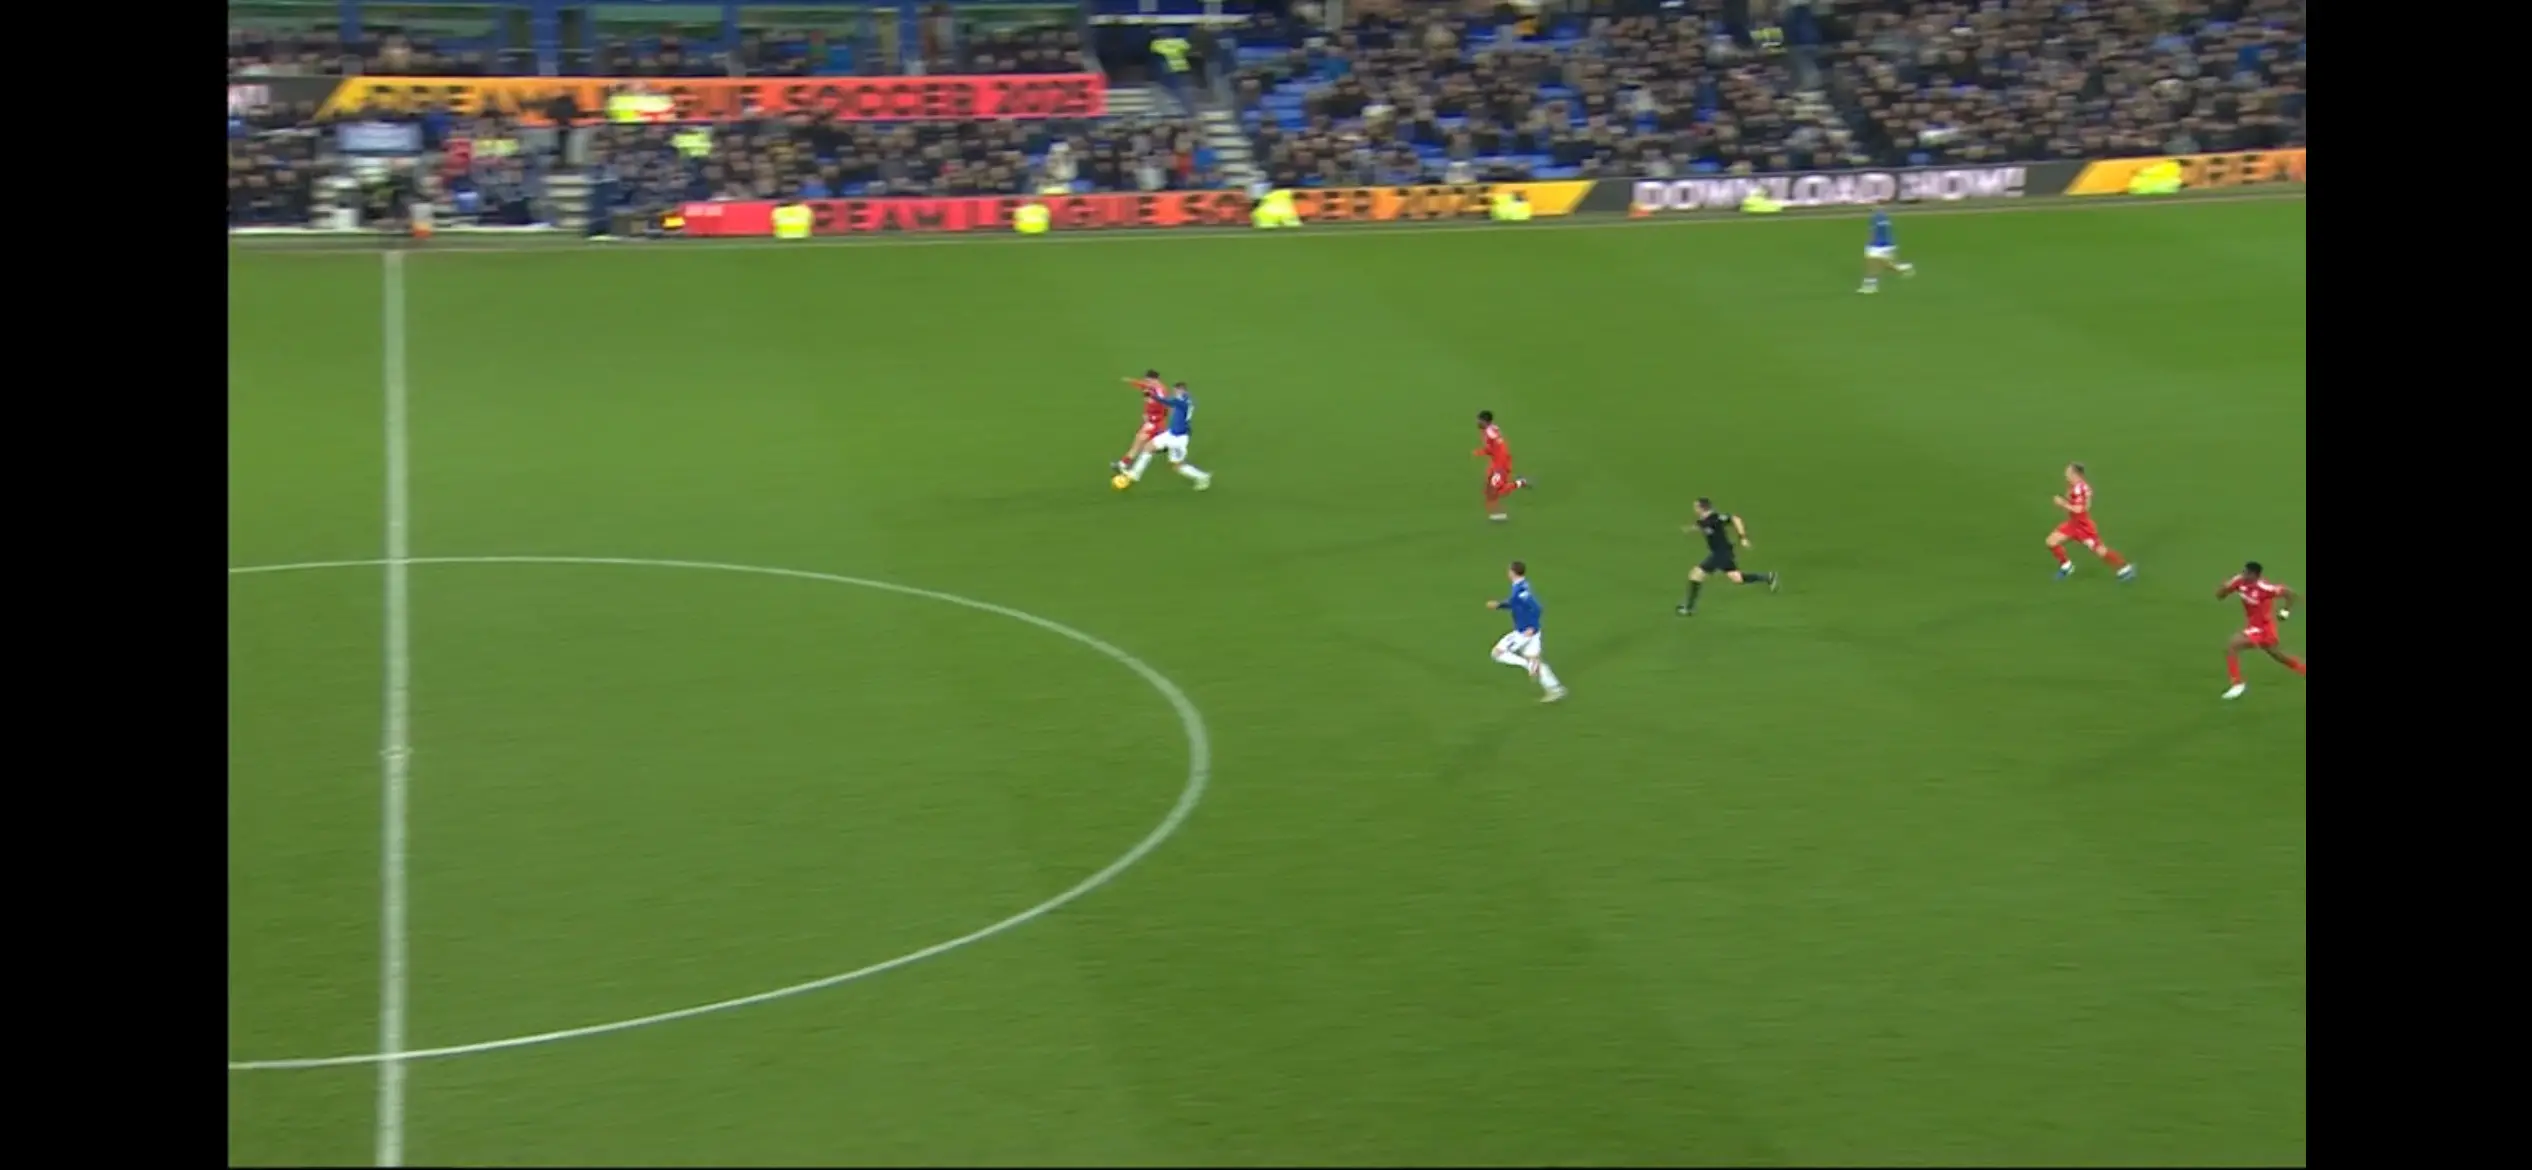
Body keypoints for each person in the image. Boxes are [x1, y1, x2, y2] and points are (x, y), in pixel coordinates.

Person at [2216, 562, 2305, 700]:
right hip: (2254, 626)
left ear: (2255, 575)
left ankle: (2237, 684)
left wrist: (2285, 611)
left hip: (2263, 628)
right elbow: (2219, 596)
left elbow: (2290, 593)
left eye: (2246, 573)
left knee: (2233, 645)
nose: (2243, 575)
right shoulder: (2239, 581)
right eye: (2243, 572)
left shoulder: (2264, 588)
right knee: (2279, 656)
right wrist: (2225, 588)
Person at [1679, 499, 1779, 616]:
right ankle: (1768, 577)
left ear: (1702, 508)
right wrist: (1689, 529)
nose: (1694, 509)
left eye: (1696, 507)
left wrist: (1743, 537)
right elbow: (1701, 526)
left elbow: (1736, 519)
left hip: (1721, 553)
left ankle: (1689, 608)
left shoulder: (1716, 518)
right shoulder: (1702, 521)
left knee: (1695, 574)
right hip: (1722, 553)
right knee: (1737, 578)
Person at [1485, 561, 1567, 703]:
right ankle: (1556, 689)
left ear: (1512, 572)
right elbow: (1515, 603)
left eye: (1509, 570)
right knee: (1536, 661)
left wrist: (1532, 627)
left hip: (1524, 632)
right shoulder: (1522, 585)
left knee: (1497, 653)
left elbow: (1536, 608)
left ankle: (1527, 664)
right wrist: (1498, 605)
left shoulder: (1520, 589)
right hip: (1531, 632)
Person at [2048, 462, 2136, 581]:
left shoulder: (2080, 489)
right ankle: (2066, 566)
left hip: (2083, 527)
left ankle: (2125, 568)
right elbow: (2079, 503)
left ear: (2075, 474)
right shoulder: (2073, 486)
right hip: (2073, 524)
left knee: (2100, 551)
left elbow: (2080, 509)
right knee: (2051, 541)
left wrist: (2062, 503)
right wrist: (2066, 501)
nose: (2065, 474)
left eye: (2068, 472)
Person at [1120, 381, 1212, 490]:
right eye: (1174, 391)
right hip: (1171, 434)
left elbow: (1166, 401)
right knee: (1148, 447)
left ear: (1182, 390)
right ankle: (1134, 474)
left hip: (1179, 440)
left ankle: (1203, 477)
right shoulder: (1188, 399)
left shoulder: (1182, 402)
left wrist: (1152, 395)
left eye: (1176, 391)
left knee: (1176, 466)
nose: (1175, 393)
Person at [1473, 410, 1532, 522]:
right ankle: (1494, 508)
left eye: (1479, 420)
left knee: (1499, 490)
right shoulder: (1490, 429)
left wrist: (1485, 453)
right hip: (1495, 462)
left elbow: (1499, 447)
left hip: (1501, 464)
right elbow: (1494, 447)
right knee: (1489, 487)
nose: (1477, 422)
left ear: (1485, 421)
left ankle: (1520, 483)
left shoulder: (1490, 433)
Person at [1113, 371, 1170, 473]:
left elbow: (1165, 407)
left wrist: (1152, 417)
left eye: (1149, 381)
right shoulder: (1150, 386)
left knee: (1139, 442)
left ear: (1155, 380)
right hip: (1151, 422)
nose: (1147, 383)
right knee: (1139, 442)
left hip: (1154, 422)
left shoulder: (1160, 392)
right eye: (1146, 381)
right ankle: (1123, 464)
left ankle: (1124, 465)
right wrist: (1131, 381)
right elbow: (1141, 385)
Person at [1859, 207, 1915, 294]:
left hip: (1877, 245)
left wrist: (1870, 243)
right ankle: (1903, 268)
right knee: (1882, 264)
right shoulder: (1885, 217)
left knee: (1872, 265)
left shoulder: (1874, 218)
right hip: (1889, 244)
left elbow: (1873, 232)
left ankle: (1870, 287)